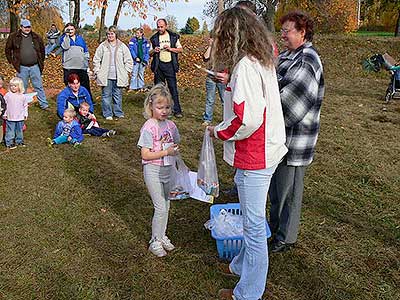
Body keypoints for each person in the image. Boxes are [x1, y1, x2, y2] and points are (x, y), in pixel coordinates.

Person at [207, 8, 287, 300]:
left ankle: (248, 293)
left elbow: (247, 119)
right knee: (250, 214)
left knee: (253, 227)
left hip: (257, 153)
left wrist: (219, 132)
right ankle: (241, 265)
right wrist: (228, 80)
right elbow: (251, 101)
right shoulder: (258, 60)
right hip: (265, 149)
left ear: (232, 36)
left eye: (221, 34)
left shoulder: (246, 67)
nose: (218, 39)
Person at [268, 11, 325, 253]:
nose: (283, 35)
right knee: (277, 189)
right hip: (281, 136)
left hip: (295, 139)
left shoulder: (308, 59)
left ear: (302, 33)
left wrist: (263, 104)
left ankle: (285, 237)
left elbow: (290, 103)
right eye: (281, 31)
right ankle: (275, 230)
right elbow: (273, 82)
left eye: (287, 31)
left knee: (288, 191)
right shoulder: (289, 56)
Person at [137, 83, 181, 257]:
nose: (164, 111)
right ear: (151, 107)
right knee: (160, 207)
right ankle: (154, 241)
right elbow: (145, 155)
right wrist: (166, 152)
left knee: (167, 204)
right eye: (159, 107)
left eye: (167, 107)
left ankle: (162, 236)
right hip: (153, 171)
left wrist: (175, 153)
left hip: (168, 170)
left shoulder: (171, 125)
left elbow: (176, 142)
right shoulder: (149, 126)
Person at [5, 19, 49, 110]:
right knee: (21, 87)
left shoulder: (36, 37)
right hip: (21, 67)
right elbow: (8, 50)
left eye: (29, 27)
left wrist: (41, 61)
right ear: (21, 27)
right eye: (25, 27)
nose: (27, 29)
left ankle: (44, 104)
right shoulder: (13, 37)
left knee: (38, 86)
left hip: (35, 66)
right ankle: (20, 105)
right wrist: (11, 61)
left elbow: (42, 50)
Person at [93, 26, 133, 120]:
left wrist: (126, 71)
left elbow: (128, 60)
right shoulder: (102, 46)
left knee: (117, 95)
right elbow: (96, 59)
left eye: (112, 33)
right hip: (106, 75)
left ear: (116, 34)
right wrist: (98, 71)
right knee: (106, 95)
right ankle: (107, 114)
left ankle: (118, 112)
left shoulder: (122, 46)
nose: (110, 35)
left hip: (118, 75)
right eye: (108, 34)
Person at [150, 19, 183, 118]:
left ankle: (177, 110)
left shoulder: (173, 36)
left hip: (170, 65)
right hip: (158, 66)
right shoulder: (154, 38)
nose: (160, 28)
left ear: (166, 26)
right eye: (158, 27)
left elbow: (180, 49)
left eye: (162, 27)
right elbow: (149, 53)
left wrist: (170, 49)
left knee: (173, 88)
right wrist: (154, 50)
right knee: (159, 90)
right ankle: (158, 110)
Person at [60, 23, 92, 100]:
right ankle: (71, 100)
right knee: (71, 85)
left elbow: (85, 52)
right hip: (69, 67)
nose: (70, 31)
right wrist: (66, 35)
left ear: (75, 30)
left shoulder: (80, 38)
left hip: (81, 67)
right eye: (68, 29)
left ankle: (87, 101)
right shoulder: (63, 38)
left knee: (85, 86)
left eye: (72, 29)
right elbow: (65, 46)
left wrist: (86, 65)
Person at [201, 31, 226, 126]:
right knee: (210, 99)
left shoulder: (224, 48)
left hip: (221, 77)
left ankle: (226, 119)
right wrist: (210, 46)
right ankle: (207, 119)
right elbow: (205, 58)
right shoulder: (211, 49)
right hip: (211, 77)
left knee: (224, 99)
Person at [3, 77, 29, 150]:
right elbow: (4, 105)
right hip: (10, 117)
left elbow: (25, 106)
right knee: (10, 130)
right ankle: (9, 142)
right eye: (11, 86)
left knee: (19, 130)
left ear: (19, 86)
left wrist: (25, 114)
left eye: (15, 86)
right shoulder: (8, 95)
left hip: (20, 117)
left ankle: (19, 141)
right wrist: (4, 114)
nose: (13, 87)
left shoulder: (23, 96)